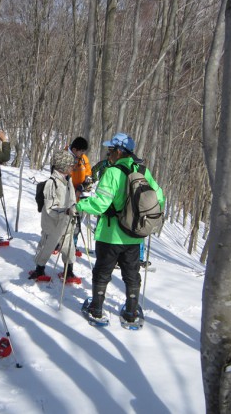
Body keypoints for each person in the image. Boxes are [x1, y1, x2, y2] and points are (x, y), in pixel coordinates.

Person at [75, 133, 165, 323]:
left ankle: (97, 309)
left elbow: (100, 204)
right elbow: (160, 198)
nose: (108, 155)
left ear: (118, 151)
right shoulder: (143, 171)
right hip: (134, 235)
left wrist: (79, 205)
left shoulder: (113, 172)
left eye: (110, 150)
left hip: (110, 234)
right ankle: (131, 312)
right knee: (131, 274)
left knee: (102, 272)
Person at [29, 150, 78, 281]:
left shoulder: (68, 180)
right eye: (70, 165)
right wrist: (65, 211)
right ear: (63, 166)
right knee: (48, 245)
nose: (73, 168)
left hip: (67, 221)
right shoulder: (52, 183)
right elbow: (51, 208)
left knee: (68, 246)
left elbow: (72, 199)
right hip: (52, 223)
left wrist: (74, 208)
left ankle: (69, 270)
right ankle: (39, 269)